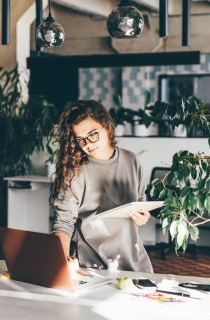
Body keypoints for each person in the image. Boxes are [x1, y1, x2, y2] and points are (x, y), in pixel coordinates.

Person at [50, 100, 153, 273]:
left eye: (92, 134)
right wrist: (61, 261)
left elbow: (141, 202)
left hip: (135, 263)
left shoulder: (132, 160)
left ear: (106, 125)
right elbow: (63, 225)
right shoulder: (73, 172)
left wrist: (142, 216)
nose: (88, 144)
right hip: (91, 265)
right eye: (81, 140)